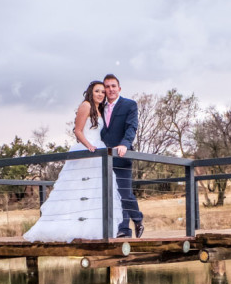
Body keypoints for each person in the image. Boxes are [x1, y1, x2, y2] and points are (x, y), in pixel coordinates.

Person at [23, 80, 122, 242]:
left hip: (99, 150)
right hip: (87, 149)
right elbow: (78, 130)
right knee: (77, 188)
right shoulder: (86, 106)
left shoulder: (99, 109)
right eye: (97, 91)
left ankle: (92, 228)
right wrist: (89, 146)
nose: (100, 94)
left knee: (95, 190)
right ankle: (68, 226)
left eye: (102, 92)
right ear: (91, 92)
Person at [100, 74, 143, 238]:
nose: (110, 89)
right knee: (111, 195)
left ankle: (137, 219)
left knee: (124, 193)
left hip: (122, 155)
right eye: (107, 86)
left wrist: (125, 143)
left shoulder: (129, 105)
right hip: (103, 158)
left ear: (119, 88)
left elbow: (132, 127)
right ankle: (124, 230)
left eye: (113, 86)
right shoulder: (100, 108)